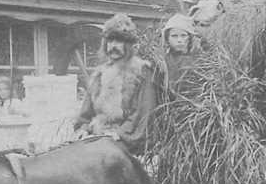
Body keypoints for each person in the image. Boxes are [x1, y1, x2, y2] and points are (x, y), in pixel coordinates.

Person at [74, 14, 157, 155]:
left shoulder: (141, 71)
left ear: (129, 45)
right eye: (110, 41)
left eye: (119, 41)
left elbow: (143, 112)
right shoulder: (99, 73)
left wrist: (120, 134)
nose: (113, 46)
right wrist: (83, 128)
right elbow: (86, 112)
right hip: (98, 136)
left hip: (126, 140)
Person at [161, 13, 197, 97]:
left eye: (183, 35)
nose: (179, 40)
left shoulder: (199, 59)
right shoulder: (163, 62)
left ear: (190, 38)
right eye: (174, 36)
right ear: (167, 39)